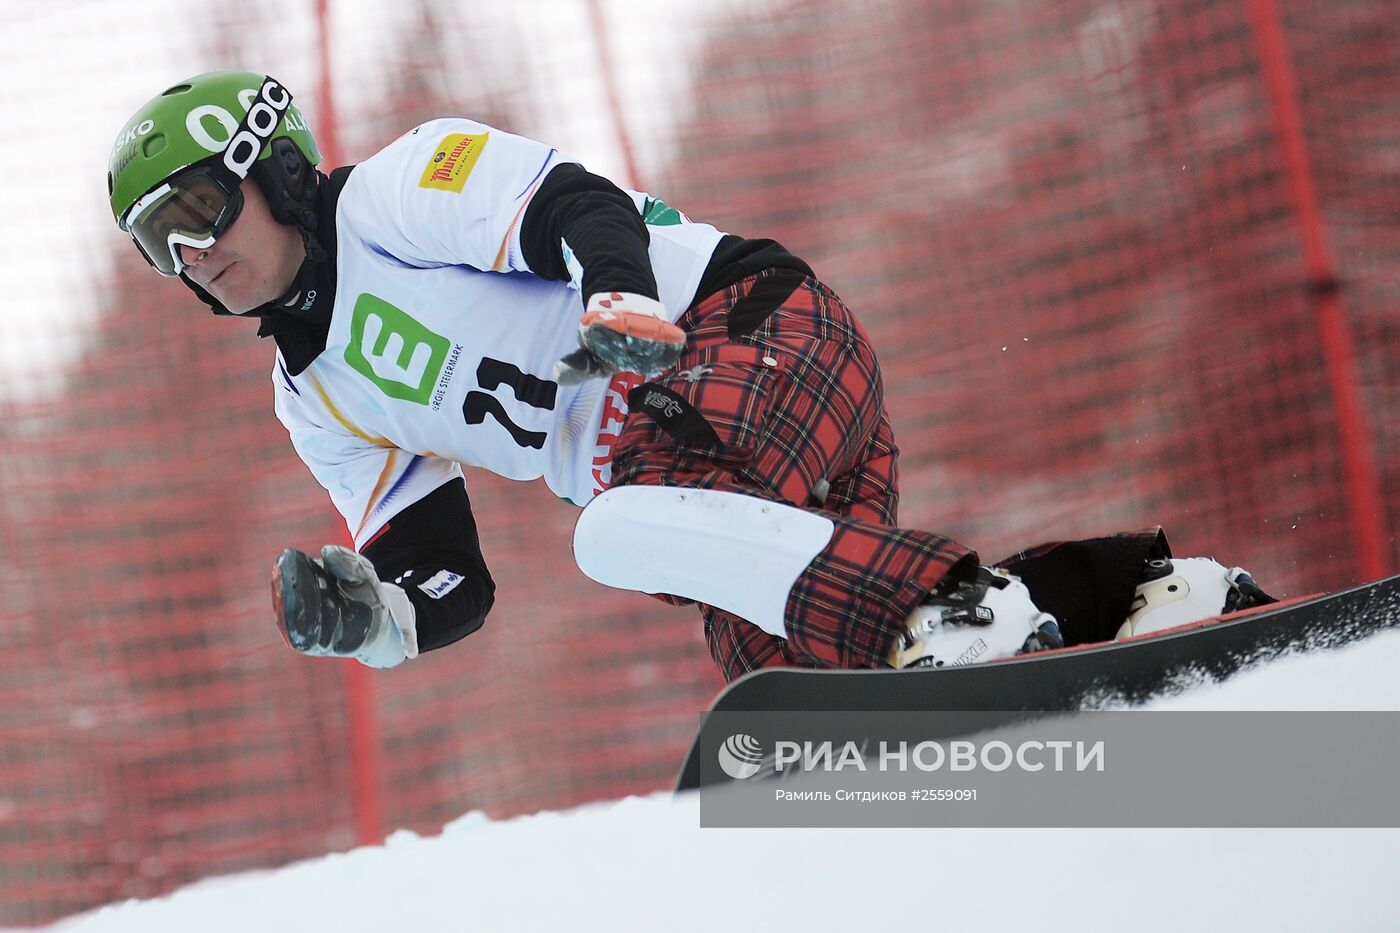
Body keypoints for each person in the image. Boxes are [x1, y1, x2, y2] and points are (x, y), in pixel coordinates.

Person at [107, 71, 1272, 680]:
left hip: (751, 336)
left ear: (277, 168)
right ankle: (1145, 599)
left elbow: (573, 204)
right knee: (814, 688)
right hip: (692, 475)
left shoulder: (392, 190)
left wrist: (616, 294)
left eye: (198, 209)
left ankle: (956, 609)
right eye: (161, 247)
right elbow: (449, 576)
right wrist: (380, 618)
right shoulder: (311, 401)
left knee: (611, 531)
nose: (193, 253)